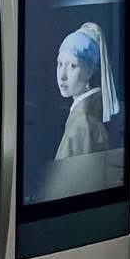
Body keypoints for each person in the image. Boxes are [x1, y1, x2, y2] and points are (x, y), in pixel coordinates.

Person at [54, 23, 120, 159]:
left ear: (89, 72)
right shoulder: (87, 114)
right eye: (60, 64)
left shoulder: (83, 122)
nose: (62, 76)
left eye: (72, 66)